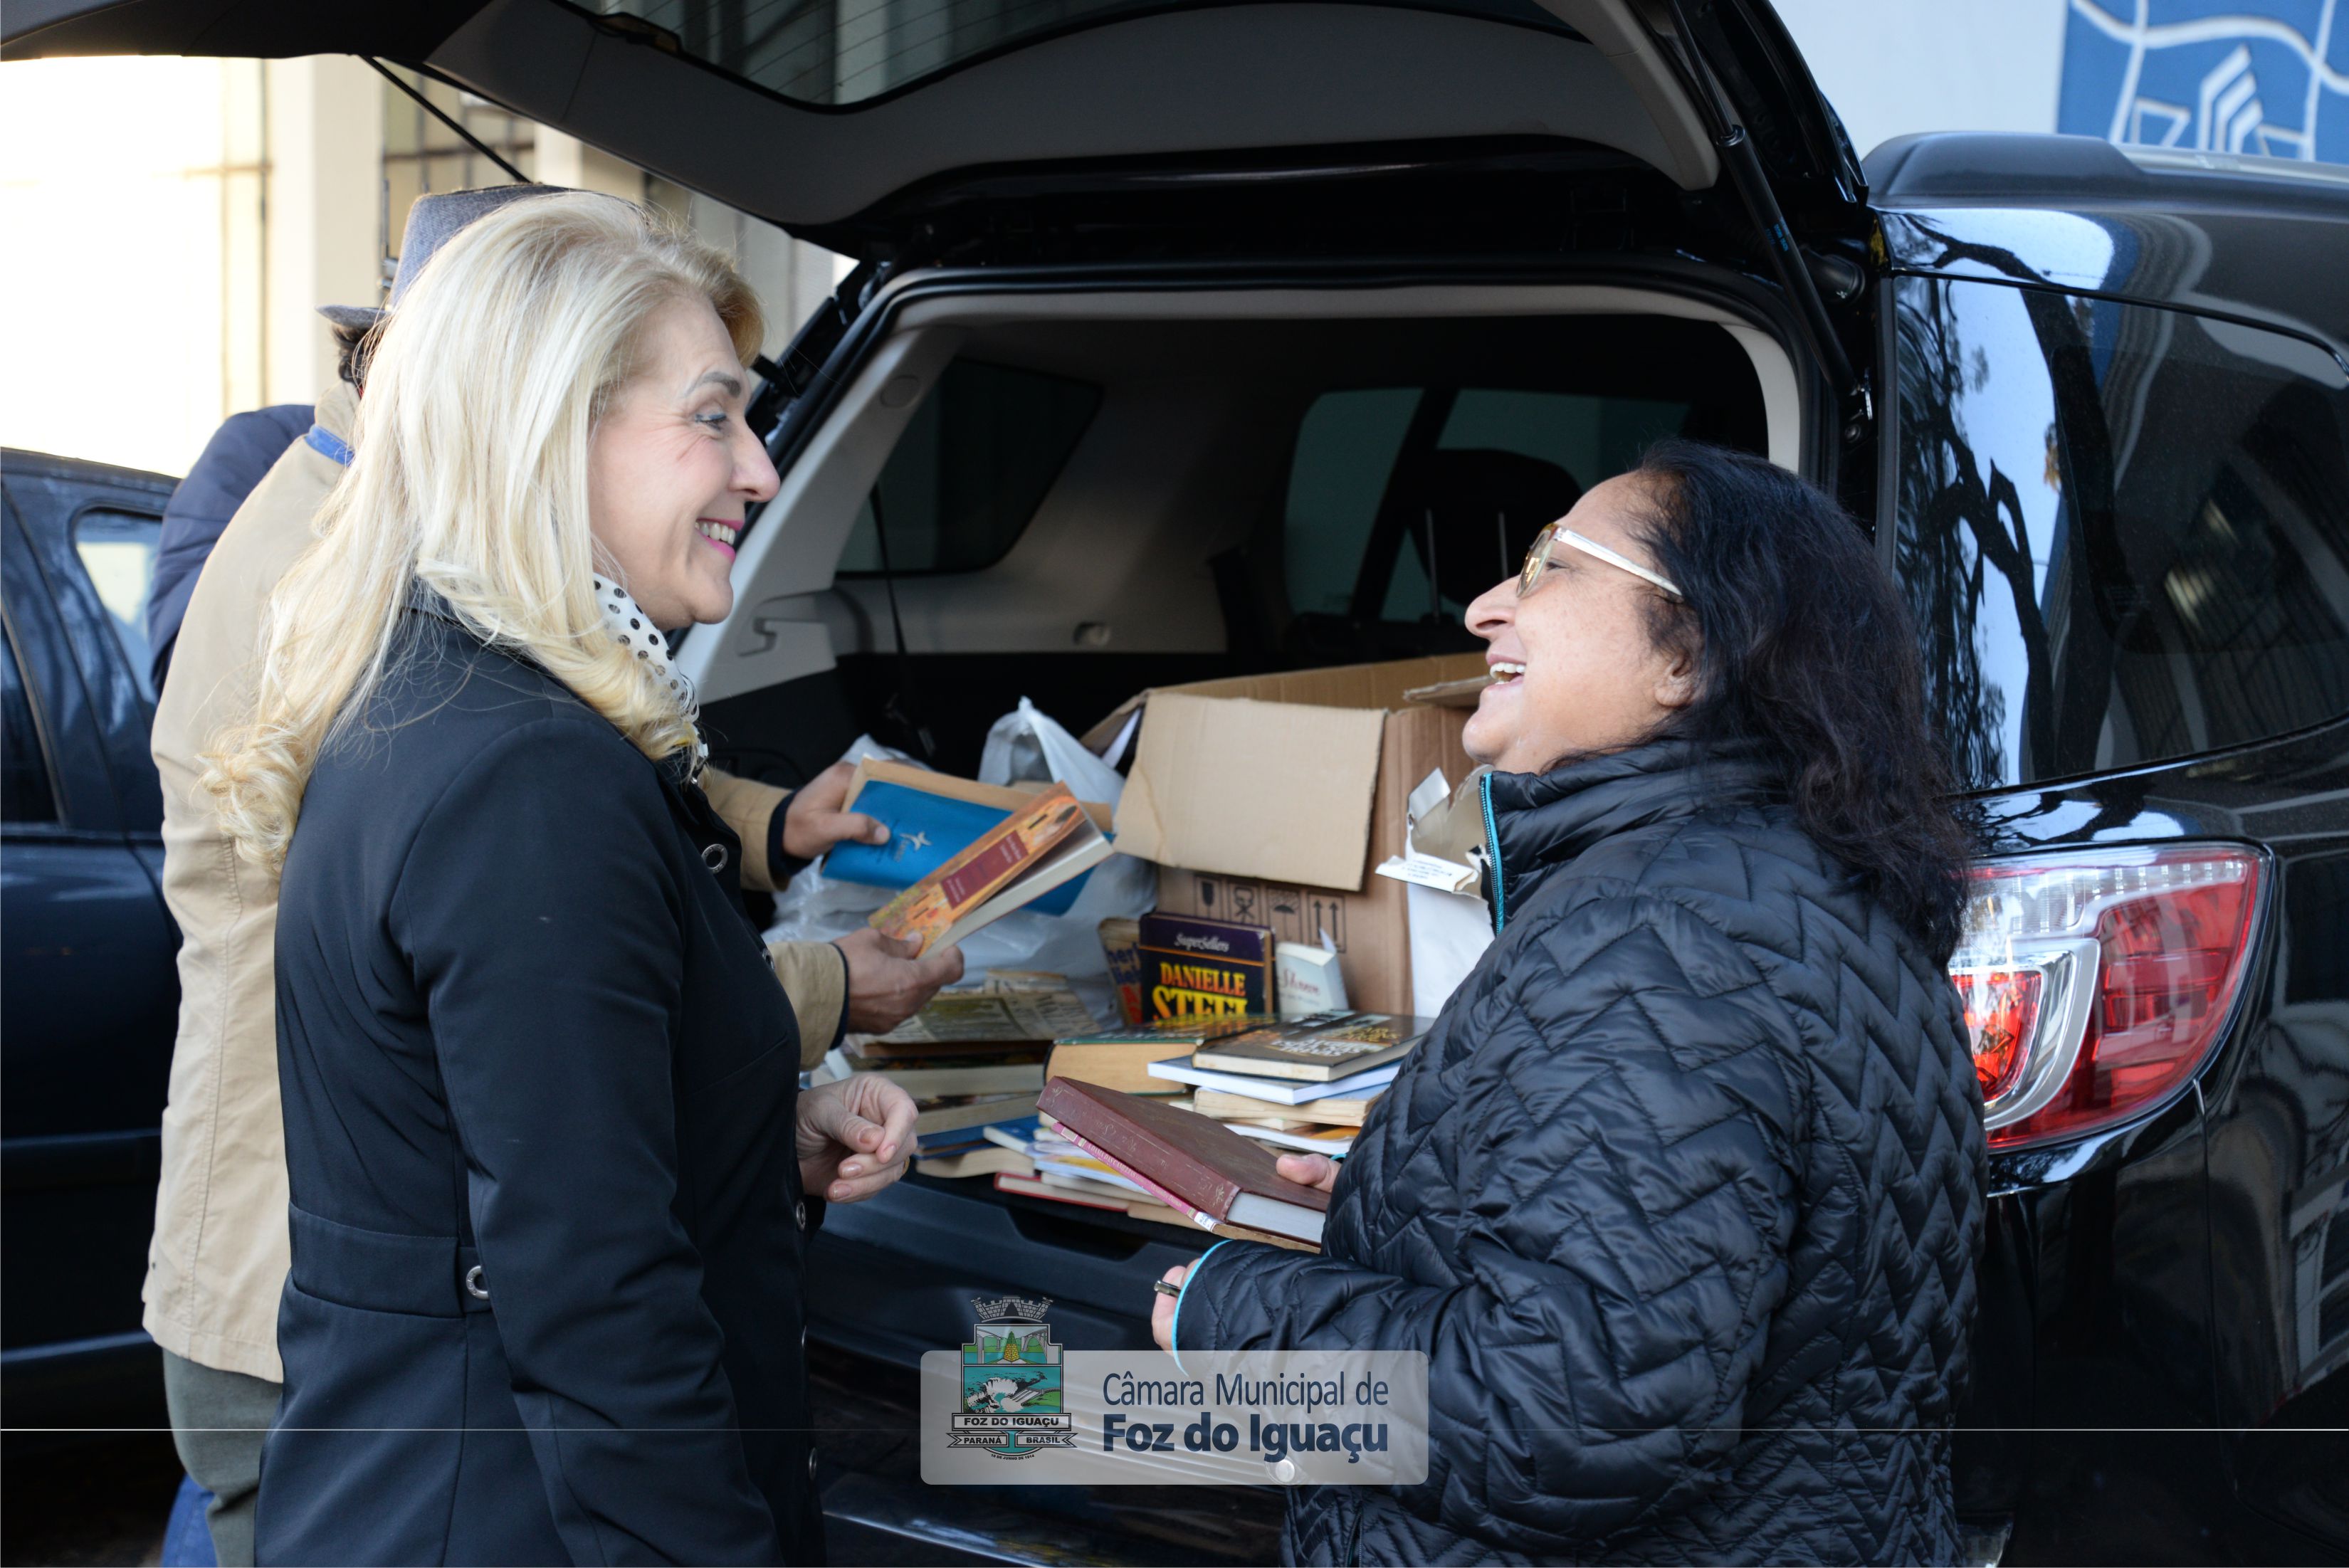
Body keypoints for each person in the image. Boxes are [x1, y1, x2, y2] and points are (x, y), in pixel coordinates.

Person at [150, 189, 941, 1565]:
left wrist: (758, 1129)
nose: (760, 469)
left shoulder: (431, 694)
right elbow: (600, 1308)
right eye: (712, 415)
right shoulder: (526, 774)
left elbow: (514, 1130)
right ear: (548, 435)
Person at [1152, 441, 1988, 1564]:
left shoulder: (1661, 941)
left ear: (1688, 653)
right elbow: (1692, 1265)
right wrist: (1401, 1206)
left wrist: (1225, 1319)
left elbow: (1563, 1424)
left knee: (1006, 1415)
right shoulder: (1787, 894)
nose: (1488, 604)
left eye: (1551, 565)